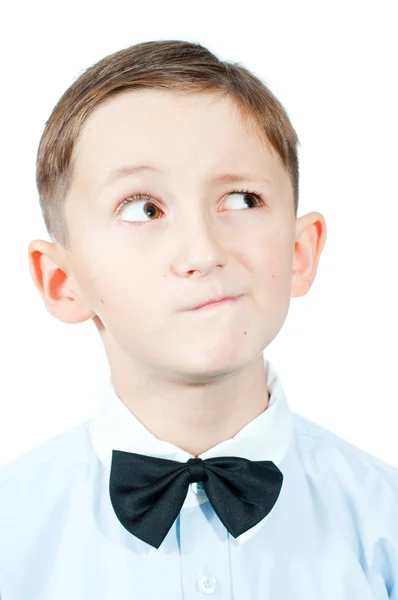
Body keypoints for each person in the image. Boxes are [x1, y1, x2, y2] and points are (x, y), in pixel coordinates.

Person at [0, 39, 397, 600]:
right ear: (62, 282)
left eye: (241, 200)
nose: (203, 251)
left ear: (299, 252)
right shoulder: (11, 536)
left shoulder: (384, 524)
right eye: (144, 208)